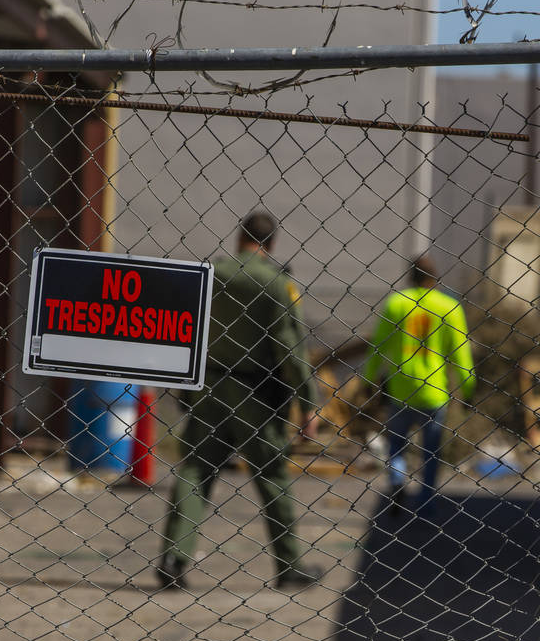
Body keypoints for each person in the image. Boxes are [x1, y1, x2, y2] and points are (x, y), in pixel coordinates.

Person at [157, 208, 323, 589]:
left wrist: (187, 387)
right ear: (272, 243)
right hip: (254, 394)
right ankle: (289, 565)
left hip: (209, 387)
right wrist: (307, 402)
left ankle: (174, 557)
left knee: (196, 470)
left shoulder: (211, 274)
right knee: (272, 475)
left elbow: (190, 331)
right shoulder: (276, 284)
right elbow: (289, 347)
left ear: (239, 238)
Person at [363, 256, 475, 517]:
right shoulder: (449, 307)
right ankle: (426, 501)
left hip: (401, 388)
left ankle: (397, 480)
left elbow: (377, 346)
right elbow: (461, 354)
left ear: (410, 277)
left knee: (396, 444)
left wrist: (368, 380)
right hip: (434, 390)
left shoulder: (396, 303)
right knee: (431, 450)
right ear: (434, 279)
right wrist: (468, 388)